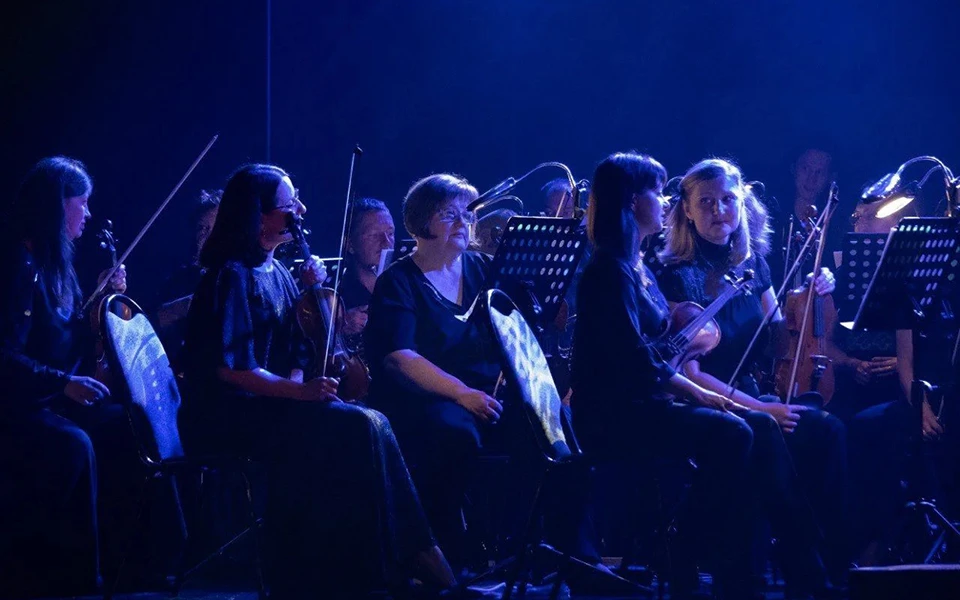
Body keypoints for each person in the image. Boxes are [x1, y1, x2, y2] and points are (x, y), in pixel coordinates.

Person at [181, 164, 456, 598]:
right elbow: (230, 369)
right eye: (290, 204)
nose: (301, 210)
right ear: (260, 216)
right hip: (229, 415)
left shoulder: (277, 272)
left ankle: (396, 556)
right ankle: (405, 556)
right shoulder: (231, 274)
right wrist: (301, 393)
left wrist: (312, 297)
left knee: (368, 420)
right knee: (358, 426)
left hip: (269, 407)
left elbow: (296, 352)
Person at [571, 152, 761, 598]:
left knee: (739, 434)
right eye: (657, 193)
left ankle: (702, 553)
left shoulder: (636, 265)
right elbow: (633, 358)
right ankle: (682, 545)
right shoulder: (608, 270)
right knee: (734, 434)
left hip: (645, 405)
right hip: (615, 416)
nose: (665, 201)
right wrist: (697, 392)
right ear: (632, 201)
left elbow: (655, 342)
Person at [653, 158, 847, 593]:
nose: (719, 210)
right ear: (687, 211)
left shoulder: (753, 265)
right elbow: (689, 373)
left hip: (753, 395)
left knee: (827, 430)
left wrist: (810, 291)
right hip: (705, 401)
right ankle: (805, 567)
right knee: (764, 429)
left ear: (742, 205)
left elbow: (777, 340)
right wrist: (759, 406)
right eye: (707, 202)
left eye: (728, 200)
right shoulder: (675, 274)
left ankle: (834, 559)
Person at [0, 157, 129, 598]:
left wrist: (101, 301)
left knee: (125, 424)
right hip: (18, 403)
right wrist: (62, 383)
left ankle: (134, 563)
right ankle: (67, 578)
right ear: (58, 204)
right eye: (82, 202)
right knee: (72, 445)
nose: (88, 214)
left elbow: (64, 339)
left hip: (47, 396)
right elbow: (6, 356)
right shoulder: (17, 263)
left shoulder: (57, 266)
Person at [365, 173, 504, 568]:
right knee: (455, 433)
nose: (463, 223)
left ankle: (530, 549)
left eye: (467, 214)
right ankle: (445, 548)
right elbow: (399, 358)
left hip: (483, 394)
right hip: (427, 399)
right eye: (449, 214)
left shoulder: (484, 269)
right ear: (421, 221)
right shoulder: (398, 281)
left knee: (550, 427)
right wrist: (462, 393)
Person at [155, 189, 221, 371]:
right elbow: (152, 326)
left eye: (217, 229)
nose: (209, 238)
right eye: (203, 229)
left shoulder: (247, 278)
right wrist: (181, 308)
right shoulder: (181, 280)